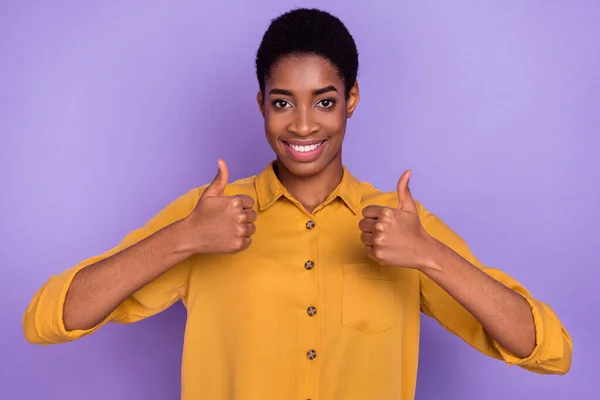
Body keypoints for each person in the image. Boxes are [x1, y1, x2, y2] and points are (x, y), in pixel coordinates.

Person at [23, 7, 572, 400]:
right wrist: (183, 238)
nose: (303, 124)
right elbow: (47, 320)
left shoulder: (403, 227)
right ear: (261, 103)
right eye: (283, 102)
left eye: (325, 101)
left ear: (350, 100)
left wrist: (431, 256)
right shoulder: (206, 216)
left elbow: (549, 352)